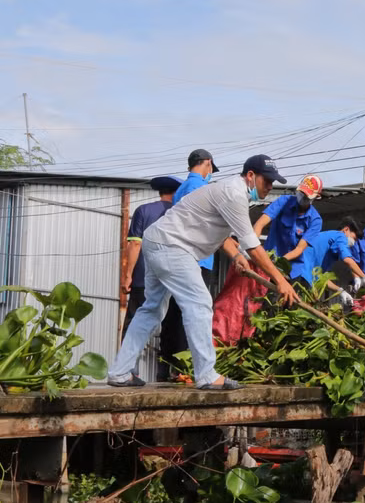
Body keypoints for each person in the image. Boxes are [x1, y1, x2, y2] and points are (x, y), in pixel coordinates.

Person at [107, 155, 300, 390]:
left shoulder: (228, 191)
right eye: (267, 180)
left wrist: (237, 257)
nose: (270, 186)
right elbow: (252, 244)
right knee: (199, 303)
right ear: (251, 176)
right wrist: (280, 280)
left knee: (152, 309)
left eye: (273, 182)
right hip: (173, 246)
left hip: (158, 241)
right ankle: (207, 375)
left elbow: (220, 234)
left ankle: (120, 372)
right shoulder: (234, 194)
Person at [121, 176, 187, 382]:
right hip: (173, 277)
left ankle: (128, 370)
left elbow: (135, 245)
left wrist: (128, 274)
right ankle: (170, 372)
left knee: (136, 322)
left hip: (144, 277)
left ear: (159, 191)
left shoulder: (143, 211)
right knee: (173, 324)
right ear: (177, 192)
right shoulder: (180, 213)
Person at [252, 175, 323, 286]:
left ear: (316, 197)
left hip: (292, 270)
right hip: (267, 263)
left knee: (285, 300)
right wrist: (252, 247)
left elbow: (299, 249)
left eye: (307, 195)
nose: (302, 197)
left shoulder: (315, 220)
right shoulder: (284, 201)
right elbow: (259, 225)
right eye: (301, 193)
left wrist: (280, 261)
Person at [173, 149, 219, 288]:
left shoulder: (181, 188)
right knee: (197, 307)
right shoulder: (201, 186)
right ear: (209, 163)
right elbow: (204, 221)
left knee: (177, 306)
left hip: (181, 255)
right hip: (197, 259)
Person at [304, 217, 365, 306]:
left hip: (304, 279)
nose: (353, 243)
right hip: (301, 277)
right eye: (354, 238)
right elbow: (347, 259)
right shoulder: (340, 236)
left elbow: (320, 279)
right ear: (346, 229)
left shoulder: (329, 253)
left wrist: (340, 291)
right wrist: (363, 277)